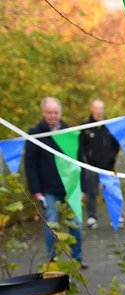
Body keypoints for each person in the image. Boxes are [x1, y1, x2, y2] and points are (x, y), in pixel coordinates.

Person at [25, 97, 83, 266]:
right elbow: (30, 164)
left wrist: (83, 187)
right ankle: (52, 259)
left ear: (60, 113)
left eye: (55, 112)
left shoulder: (69, 133)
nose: (53, 116)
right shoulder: (35, 134)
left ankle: (77, 258)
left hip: (71, 188)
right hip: (48, 189)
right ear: (43, 113)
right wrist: (35, 190)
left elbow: (80, 161)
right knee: (51, 224)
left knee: (76, 224)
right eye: (49, 112)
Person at [79, 98, 121, 229]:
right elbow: (81, 146)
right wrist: (87, 159)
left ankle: (116, 216)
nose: (98, 112)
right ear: (92, 110)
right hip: (92, 166)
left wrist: (111, 156)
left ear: (103, 110)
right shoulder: (85, 127)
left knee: (112, 191)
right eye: (96, 109)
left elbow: (116, 144)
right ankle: (92, 217)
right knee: (91, 192)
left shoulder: (110, 125)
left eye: (100, 109)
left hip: (109, 166)